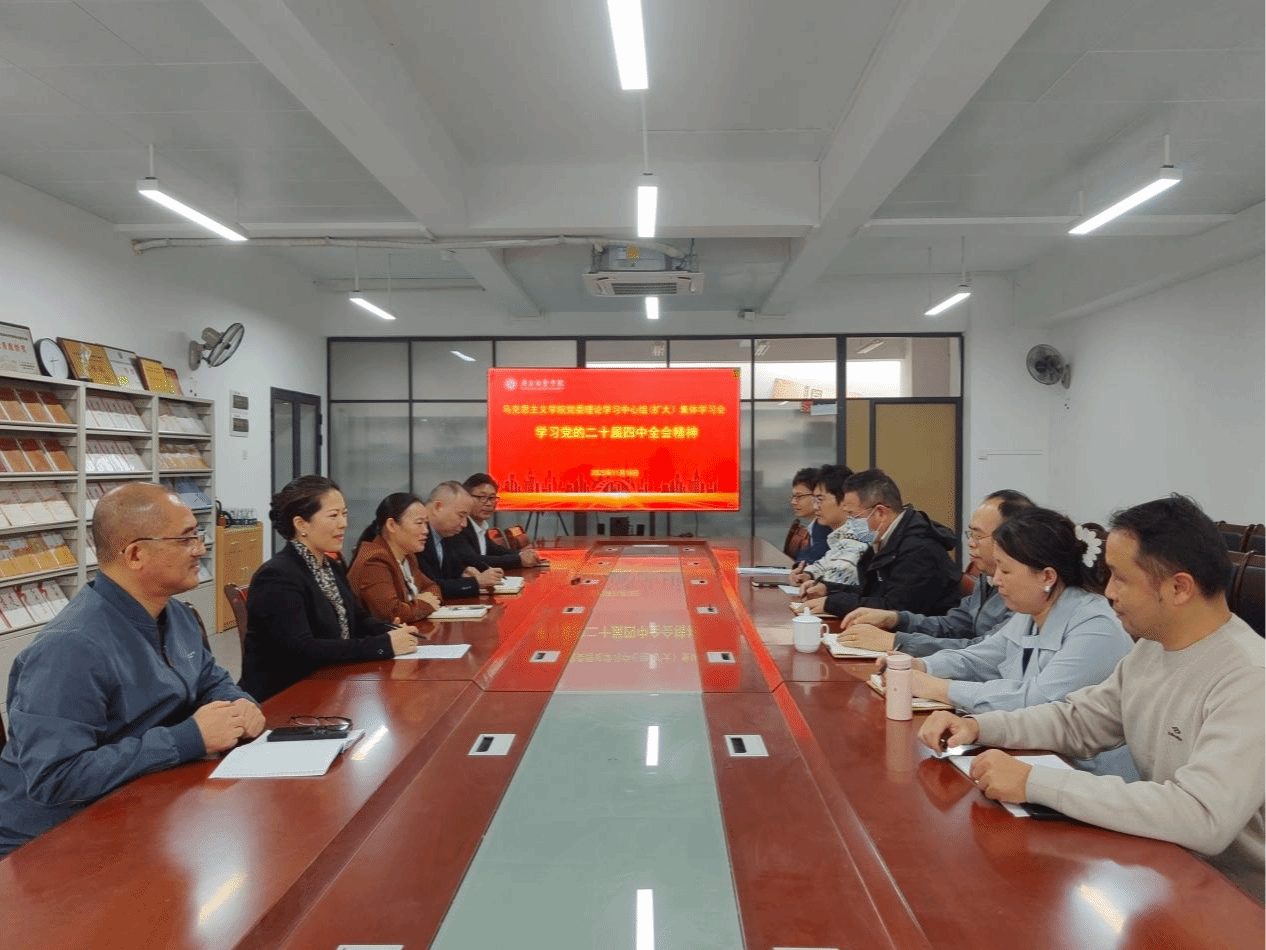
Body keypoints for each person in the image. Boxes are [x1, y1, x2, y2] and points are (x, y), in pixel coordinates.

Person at [920, 496, 1266, 905]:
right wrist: (979, 726)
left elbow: (1201, 815)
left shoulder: (1249, 678)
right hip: (1166, 865)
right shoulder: (1152, 648)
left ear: (1178, 587)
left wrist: (1034, 782)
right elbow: (1079, 721)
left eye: (1121, 578)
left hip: (1236, 899)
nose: (1109, 592)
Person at [0, 483, 264, 856]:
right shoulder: (70, 648)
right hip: (51, 842)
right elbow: (55, 779)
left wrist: (238, 704)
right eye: (186, 539)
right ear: (136, 554)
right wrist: (187, 738)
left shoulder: (175, 614)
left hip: (143, 806)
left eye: (197, 535)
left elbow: (209, 679)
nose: (200, 549)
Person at [882, 507, 1134, 775]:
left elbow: (1036, 701)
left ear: (1047, 576)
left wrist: (940, 688)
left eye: (1005, 570)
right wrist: (923, 666)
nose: (995, 580)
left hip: (1087, 773)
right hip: (1033, 756)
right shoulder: (1031, 611)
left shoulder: (1096, 626)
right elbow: (979, 657)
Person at [239, 475, 420, 702]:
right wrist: (383, 645)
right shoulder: (277, 576)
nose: (343, 523)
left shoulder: (332, 566)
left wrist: (389, 630)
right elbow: (303, 649)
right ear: (301, 524)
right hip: (286, 696)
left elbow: (358, 619)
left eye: (344, 514)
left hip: (331, 683)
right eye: (334, 516)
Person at [837, 490, 1034, 656]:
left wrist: (896, 641)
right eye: (970, 533)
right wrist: (896, 619)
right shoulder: (987, 576)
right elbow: (953, 626)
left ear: (1011, 538)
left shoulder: (1024, 590)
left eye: (978, 535)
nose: (970, 542)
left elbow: (986, 652)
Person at [800, 469, 960, 618]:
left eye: (853, 516)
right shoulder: (885, 538)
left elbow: (894, 609)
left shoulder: (919, 548)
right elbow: (871, 591)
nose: (849, 523)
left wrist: (832, 604)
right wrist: (828, 589)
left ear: (880, 513)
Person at [348, 492, 443, 623]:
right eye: (419, 523)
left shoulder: (408, 556)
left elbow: (433, 588)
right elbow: (392, 614)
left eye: (426, 523)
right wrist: (425, 605)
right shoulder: (374, 560)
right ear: (391, 525)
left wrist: (416, 605)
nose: (426, 530)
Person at [417, 481, 503, 598]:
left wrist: (463, 574)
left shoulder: (446, 534)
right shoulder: (417, 536)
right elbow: (428, 587)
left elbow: (451, 574)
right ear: (438, 507)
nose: (464, 524)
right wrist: (476, 582)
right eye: (461, 515)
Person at [790, 464, 870, 589]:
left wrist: (816, 584)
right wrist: (808, 574)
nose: (815, 507)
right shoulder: (840, 534)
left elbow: (837, 579)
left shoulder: (858, 535)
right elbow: (826, 562)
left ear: (844, 500)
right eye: (814, 500)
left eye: (820, 500)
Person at [459, 473, 541, 568]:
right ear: (466, 498)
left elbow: (496, 551)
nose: (489, 503)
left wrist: (522, 554)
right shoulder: (459, 527)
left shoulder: (480, 527)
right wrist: (519, 559)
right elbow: (472, 561)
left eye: (492, 498)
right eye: (482, 497)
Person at [788, 466, 830, 566]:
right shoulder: (815, 527)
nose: (793, 502)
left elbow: (810, 560)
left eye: (799, 496)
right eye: (793, 496)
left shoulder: (826, 528)